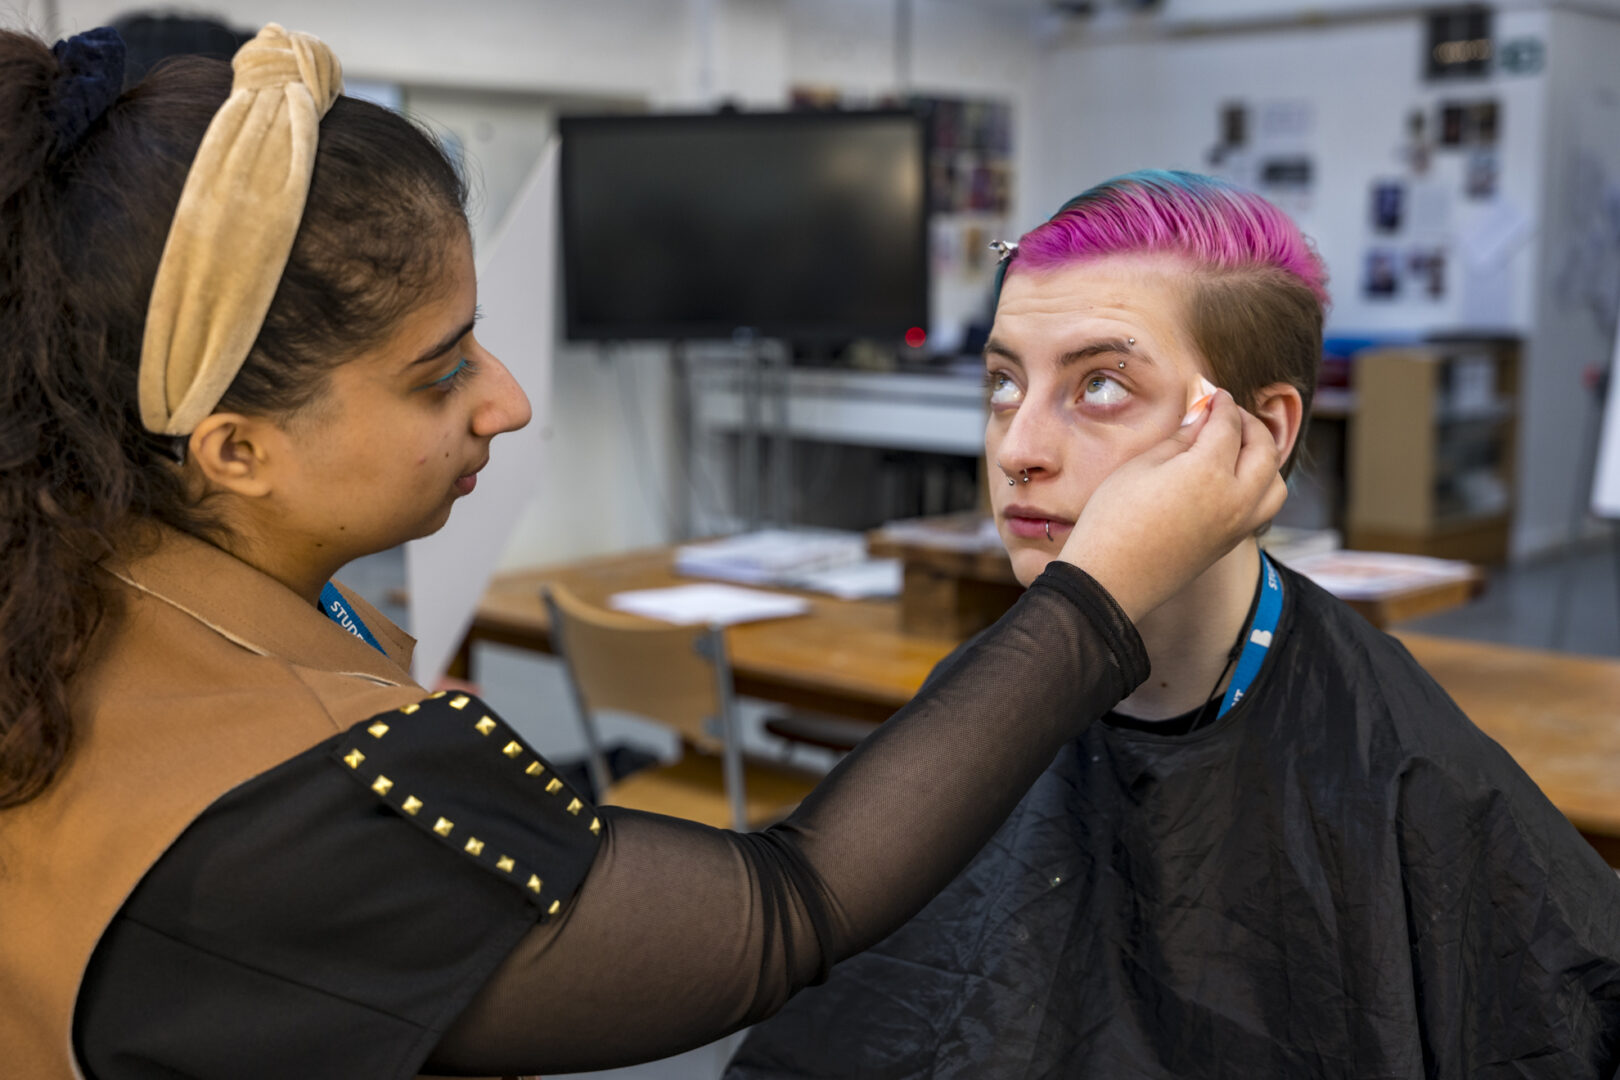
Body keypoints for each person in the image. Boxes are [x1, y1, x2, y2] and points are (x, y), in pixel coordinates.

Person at [0, 29, 1289, 1079]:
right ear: (232, 450)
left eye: (479, 338)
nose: (504, 400)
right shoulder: (298, 803)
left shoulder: (68, 581)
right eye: (439, 372)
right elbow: (790, 907)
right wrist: (1095, 595)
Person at [726, 171, 1620, 1079]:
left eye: (1102, 386)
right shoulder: (977, 707)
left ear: (1260, 433)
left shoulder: (1410, 771)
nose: (1018, 449)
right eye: (1003, 382)